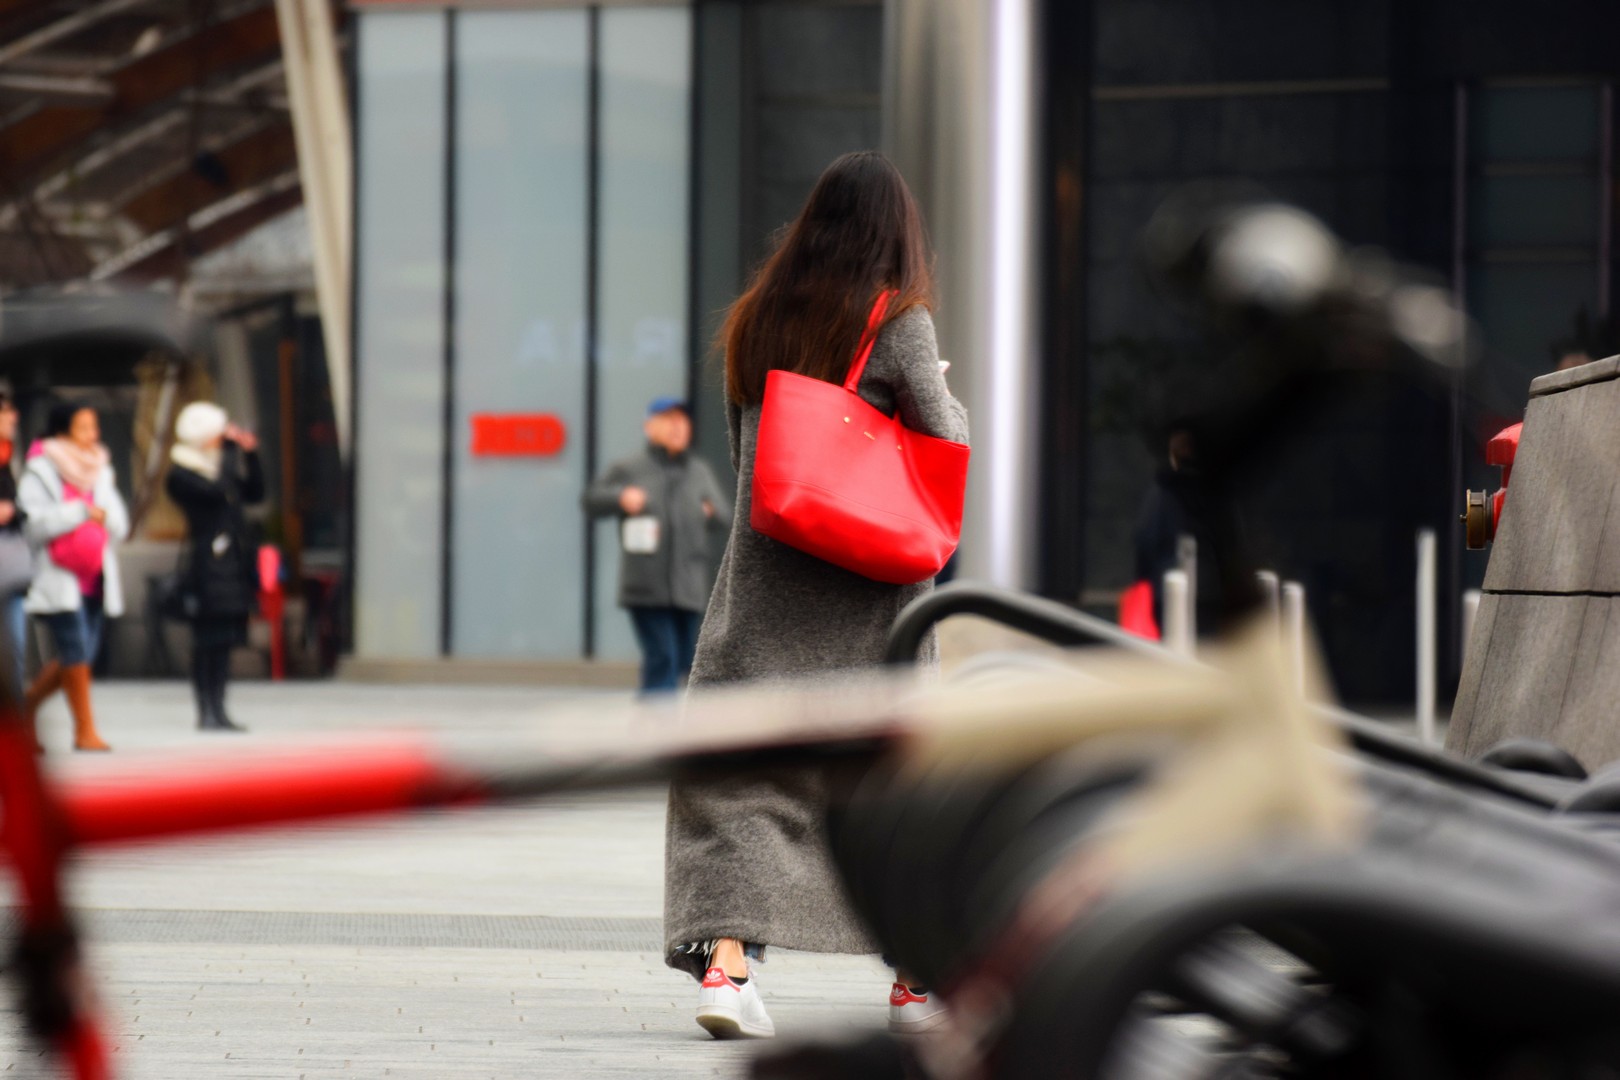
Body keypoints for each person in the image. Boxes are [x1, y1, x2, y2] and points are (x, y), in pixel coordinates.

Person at [663, 150, 969, 1040]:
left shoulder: (757, 318)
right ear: (896, 232)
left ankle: (726, 972)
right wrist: (947, 394)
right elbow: (944, 443)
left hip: (763, 588)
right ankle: (914, 986)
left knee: (742, 776)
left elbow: (748, 460)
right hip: (872, 603)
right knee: (893, 779)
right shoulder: (899, 322)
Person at [584, 398, 732, 694]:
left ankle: (658, 716)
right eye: (668, 419)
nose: (677, 426)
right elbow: (592, 499)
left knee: (683, 661)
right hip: (646, 585)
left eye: (682, 419)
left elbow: (724, 514)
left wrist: (709, 511)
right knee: (663, 657)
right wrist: (620, 497)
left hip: (687, 585)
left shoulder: (698, 471)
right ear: (649, 426)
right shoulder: (630, 468)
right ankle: (658, 718)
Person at [19, 402, 128, 752]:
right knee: (75, 650)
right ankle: (85, 731)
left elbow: (120, 523)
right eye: (83, 428)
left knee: (81, 654)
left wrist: (102, 516)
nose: (92, 435)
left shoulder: (101, 468)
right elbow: (34, 526)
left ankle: (27, 706)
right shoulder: (40, 470)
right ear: (63, 431)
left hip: (94, 577)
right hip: (58, 577)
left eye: (94, 427)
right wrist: (81, 511)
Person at [165, 402, 265, 732]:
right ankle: (205, 709)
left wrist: (250, 455)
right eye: (219, 434)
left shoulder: (218, 466)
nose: (223, 440)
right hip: (205, 567)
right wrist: (230, 453)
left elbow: (255, 493)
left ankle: (220, 709)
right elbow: (216, 492)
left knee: (224, 642)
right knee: (206, 641)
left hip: (233, 564)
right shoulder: (182, 474)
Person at [0, 391, 31, 725]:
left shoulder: (8, 457)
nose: (13, 417)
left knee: (14, 648)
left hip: (9, 565)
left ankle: (15, 726)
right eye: (6, 411)